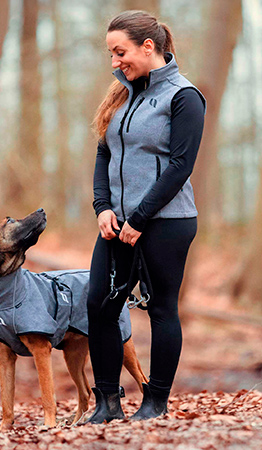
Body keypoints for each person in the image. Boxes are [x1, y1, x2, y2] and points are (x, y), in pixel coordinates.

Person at [84, 10, 206, 424]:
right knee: (99, 304)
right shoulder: (122, 94)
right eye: (111, 54)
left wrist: (140, 218)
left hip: (167, 222)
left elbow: (180, 166)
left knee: (161, 309)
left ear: (147, 46)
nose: (115, 62)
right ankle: (107, 403)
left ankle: (155, 403)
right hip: (117, 223)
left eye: (120, 52)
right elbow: (104, 152)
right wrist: (102, 207)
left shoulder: (184, 96)